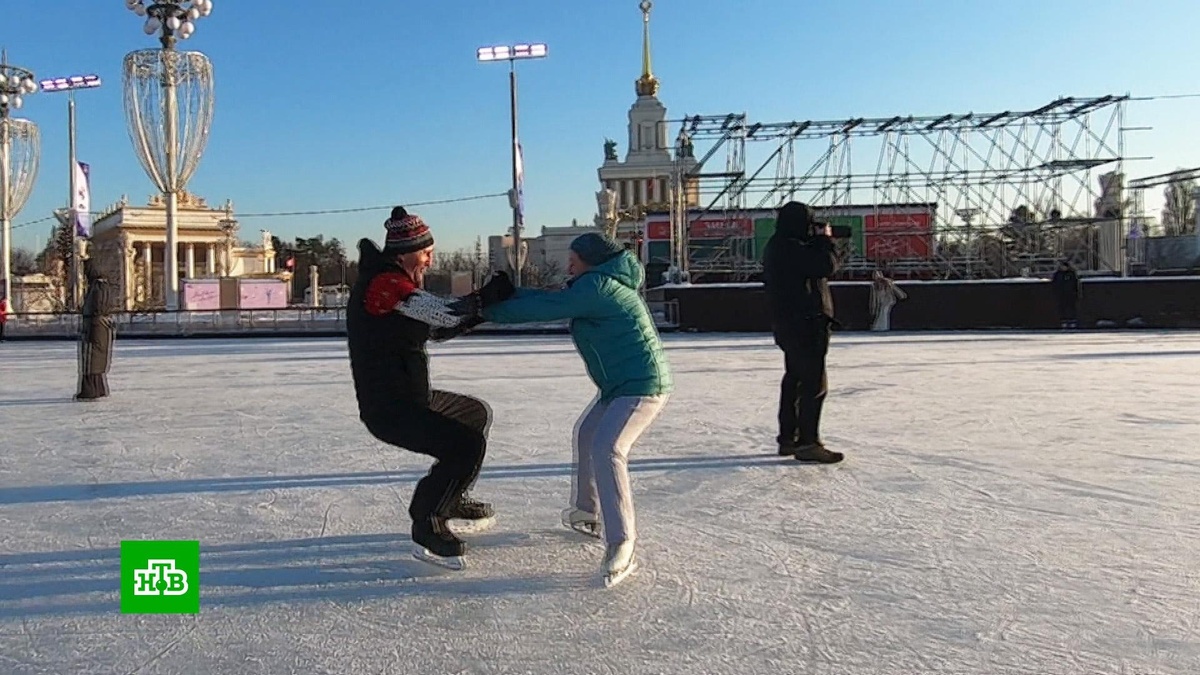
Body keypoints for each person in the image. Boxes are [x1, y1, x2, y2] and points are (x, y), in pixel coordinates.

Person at [479, 232, 672, 587]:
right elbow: (550, 298)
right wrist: (504, 295)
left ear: (591, 260)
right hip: (618, 387)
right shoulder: (597, 284)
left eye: (574, 258)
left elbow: (547, 309)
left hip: (642, 387)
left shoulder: (598, 287)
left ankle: (621, 541)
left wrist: (483, 310)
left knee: (608, 448)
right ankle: (588, 510)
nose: (569, 263)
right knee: (587, 435)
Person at [345, 206, 514, 570]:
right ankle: (428, 521)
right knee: (465, 445)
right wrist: (488, 296)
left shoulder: (395, 282)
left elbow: (437, 330)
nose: (429, 258)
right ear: (405, 251)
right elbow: (447, 314)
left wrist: (485, 308)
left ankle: (452, 496)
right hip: (390, 408)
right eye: (426, 251)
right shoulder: (384, 284)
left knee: (474, 414)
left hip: (411, 397)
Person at [761, 202, 844, 463]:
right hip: (806, 323)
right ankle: (808, 442)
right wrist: (825, 241)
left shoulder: (779, 245)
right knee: (813, 383)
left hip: (790, 324)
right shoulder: (791, 248)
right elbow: (826, 267)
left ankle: (789, 438)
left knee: (795, 379)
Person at [76, 260, 117, 401]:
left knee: (90, 358)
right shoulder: (104, 286)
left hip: (94, 325)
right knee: (97, 358)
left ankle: (90, 389)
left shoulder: (97, 287)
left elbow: (96, 307)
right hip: (100, 325)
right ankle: (97, 387)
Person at [1051, 259, 1082, 329]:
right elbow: (1055, 284)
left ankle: (1072, 321)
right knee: (1062, 308)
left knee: (1071, 308)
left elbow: (1075, 284)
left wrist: (1076, 293)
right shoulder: (1058, 274)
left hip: (1071, 295)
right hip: (1061, 295)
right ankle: (1064, 321)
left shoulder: (1071, 274)